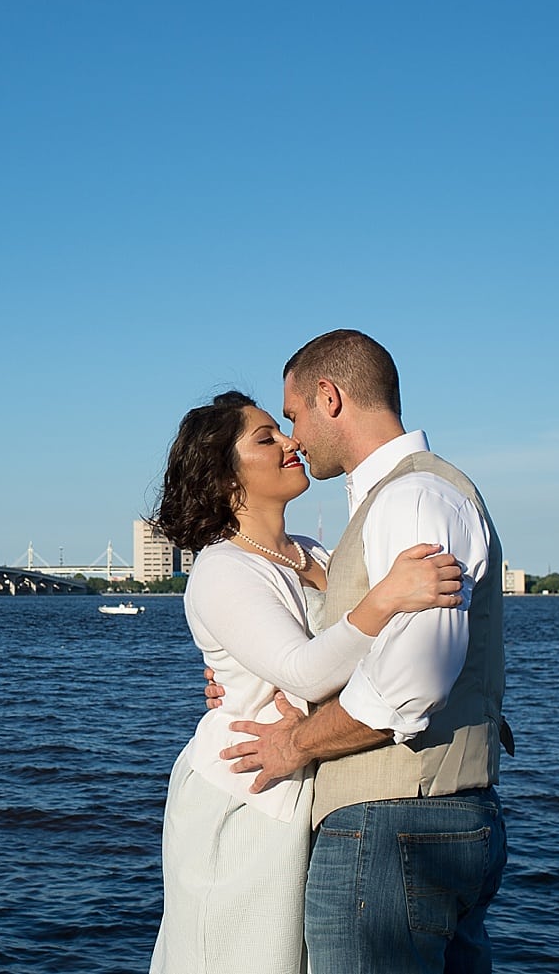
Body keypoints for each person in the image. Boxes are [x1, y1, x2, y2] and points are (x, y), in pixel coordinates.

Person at [217, 330, 509, 974]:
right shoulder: (401, 499)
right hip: (436, 824)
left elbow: (413, 679)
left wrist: (293, 744)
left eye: (292, 416)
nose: (293, 437)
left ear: (330, 397)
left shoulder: (412, 497)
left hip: (394, 827)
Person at [147, 390, 465, 974]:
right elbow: (303, 669)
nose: (291, 442)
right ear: (225, 478)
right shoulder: (223, 568)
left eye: (283, 431)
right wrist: (385, 598)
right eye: (266, 439)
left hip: (306, 787)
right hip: (246, 791)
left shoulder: (316, 552)